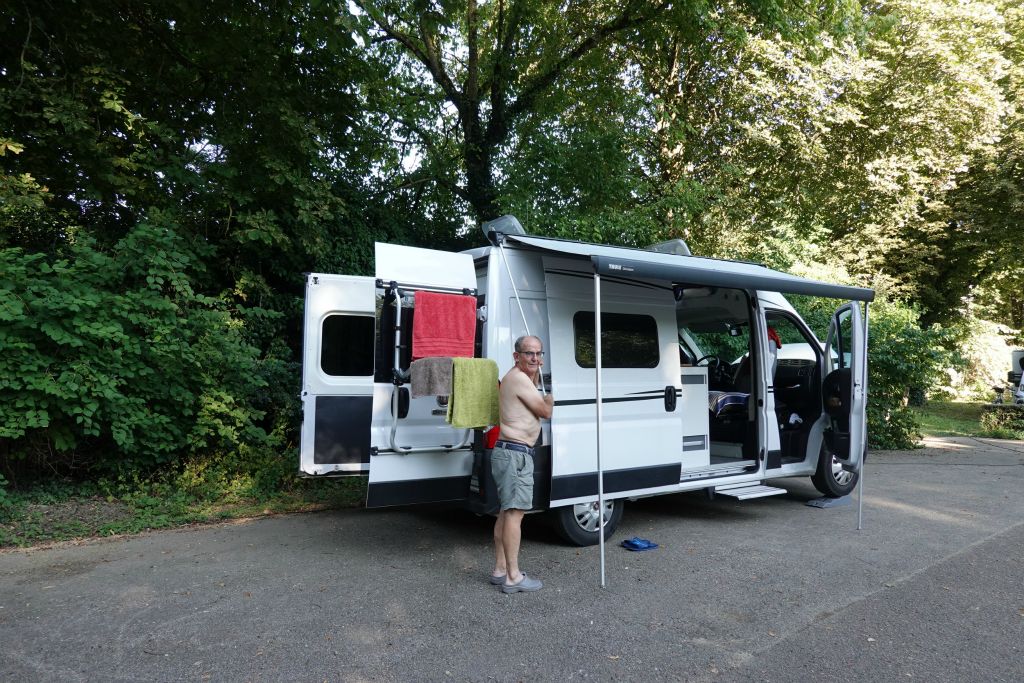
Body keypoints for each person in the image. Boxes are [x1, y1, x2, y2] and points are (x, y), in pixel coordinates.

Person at [489, 335, 553, 593]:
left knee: (507, 513)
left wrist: (536, 377)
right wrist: (550, 400)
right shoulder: (517, 378)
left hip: (510, 452)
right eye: (529, 353)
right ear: (517, 356)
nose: (535, 358)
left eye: (539, 353)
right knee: (515, 514)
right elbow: (545, 411)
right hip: (515, 454)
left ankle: (500, 569)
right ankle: (513, 577)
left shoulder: (520, 378)